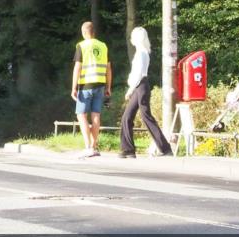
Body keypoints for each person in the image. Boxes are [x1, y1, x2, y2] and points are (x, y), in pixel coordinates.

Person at [120, 27, 172, 158]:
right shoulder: (142, 53)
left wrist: (130, 89)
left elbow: (138, 74)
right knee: (128, 117)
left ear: (136, 38)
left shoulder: (141, 54)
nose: (131, 38)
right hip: (140, 87)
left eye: (132, 36)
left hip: (140, 86)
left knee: (144, 117)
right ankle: (128, 149)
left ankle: (164, 148)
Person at [70, 21, 112, 158]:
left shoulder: (81, 46)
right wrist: (108, 87)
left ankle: (88, 146)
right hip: (100, 85)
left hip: (85, 85)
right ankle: (94, 146)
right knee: (96, 115)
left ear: (83, 33)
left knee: (81, 115)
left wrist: (74, 87)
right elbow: (108, 68)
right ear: (94, 32)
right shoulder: (103, 46)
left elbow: (78, 67)